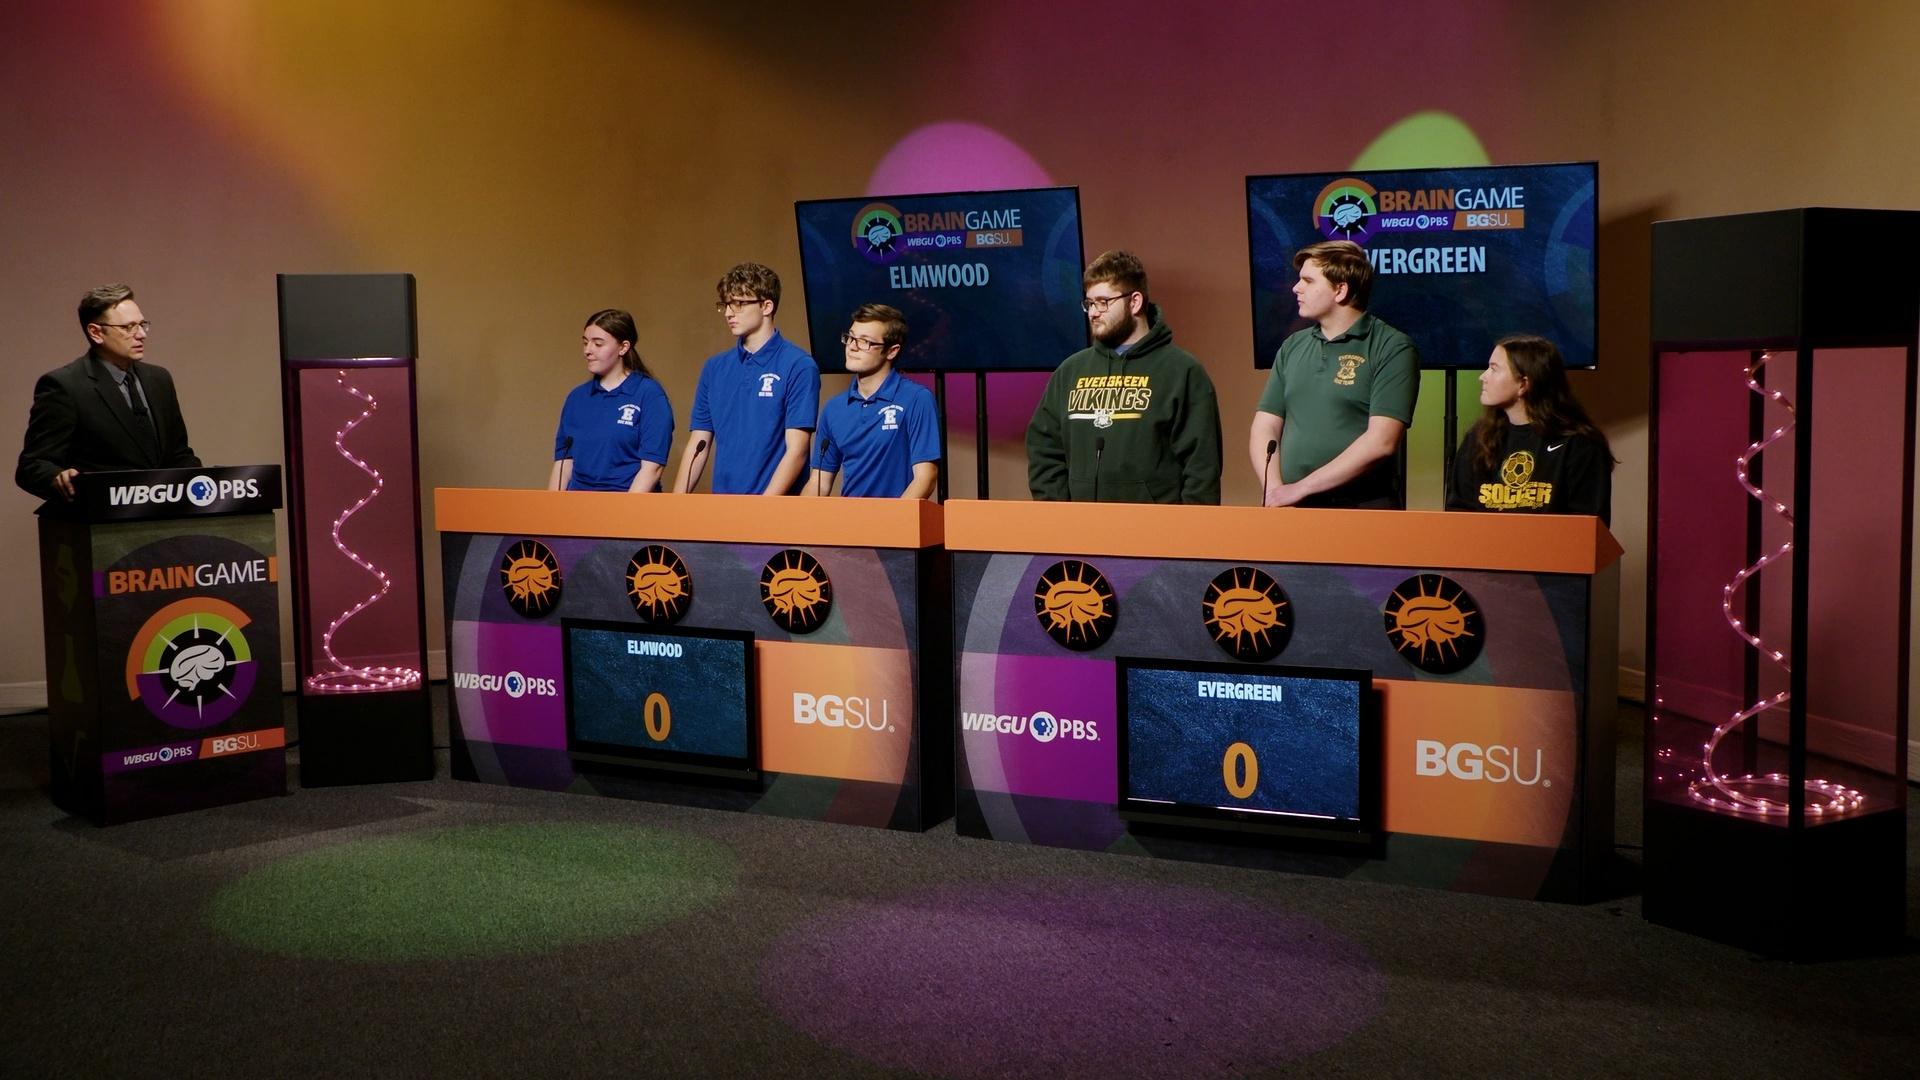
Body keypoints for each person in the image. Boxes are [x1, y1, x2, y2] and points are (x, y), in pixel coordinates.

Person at [1026, 249, 1221, 503]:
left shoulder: (1182, 372)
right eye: (1089, 303)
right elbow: (1044, 449)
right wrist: (1059, 515)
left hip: (1156, 535)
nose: (1094, 312)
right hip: (1079, 533)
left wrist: (1187, 535)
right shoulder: (1070, 372)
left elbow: (1201, 468)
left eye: (1103, 302)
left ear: (1135, 302)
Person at [1248, 240, 1419, 509]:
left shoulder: (1392, 347)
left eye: (1308, 280)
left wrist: (1300, 489)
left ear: (1340, 290)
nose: (1296, 287)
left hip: (1362, 508)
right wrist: (1276, 491)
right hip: (1292, 508)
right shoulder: (1293, 346)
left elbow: (1382, 441)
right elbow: (1265, 425)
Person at [16, 284, 199, 503]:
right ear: (96, 332)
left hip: (164, 517)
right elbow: (32, 466)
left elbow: (179, 455)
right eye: (128, 327)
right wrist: (57, 478)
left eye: (142, 325)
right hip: (103, 520)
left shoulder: (159, 380)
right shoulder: (65, 386)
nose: (141, 334)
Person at [673, 262, 820, 495]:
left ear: (766, 306)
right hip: (724, 507)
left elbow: (797, 451)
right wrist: (676, 504)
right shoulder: (714, 368)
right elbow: (698, 444)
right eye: (726, 304)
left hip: (775, 512)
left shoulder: (798, 365)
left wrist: (762, 510)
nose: (729, 313)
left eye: (739, 304)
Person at [1448, 334, 1614, 523]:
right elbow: (1458, 515)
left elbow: (1588, 528)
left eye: (1494, 369)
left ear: (1523, 384)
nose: (1482, 377)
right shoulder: (1478, 439)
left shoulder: (1580, 445)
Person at [802, 304, 939, 499]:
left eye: (865, 341)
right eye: (850, 337)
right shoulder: (834, 409)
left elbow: (926, 478)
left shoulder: (916, 399)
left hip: (895, 522)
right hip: (849, 523)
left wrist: (892, 523)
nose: (852, 346)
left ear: (891, 351)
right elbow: (819, 482)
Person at [549, 309, 673, 492]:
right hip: (578, 508)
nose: (587, 351)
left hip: (626, 508)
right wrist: (552, 511)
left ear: (623, 347)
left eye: (598, 344)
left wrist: (623, 514)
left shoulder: (649, 394)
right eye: (585, 343)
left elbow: (652, 468)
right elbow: (563, 464)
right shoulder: (577, 398)